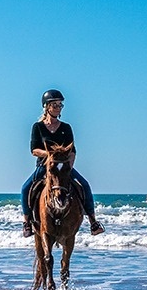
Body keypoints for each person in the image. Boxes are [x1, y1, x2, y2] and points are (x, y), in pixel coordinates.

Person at [21, 89, 105, 238]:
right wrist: (51, 156)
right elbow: (34, 150)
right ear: (46, 107)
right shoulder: (38, 127)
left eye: (60, 105)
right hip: (45, 166)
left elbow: (72, 151)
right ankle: (27, 223)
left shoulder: (66, 127)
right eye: (55, 105)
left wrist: (68, 166)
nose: (58, 108)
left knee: (84, 185)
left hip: (64, 167)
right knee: (25, 188)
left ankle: (93, 222)